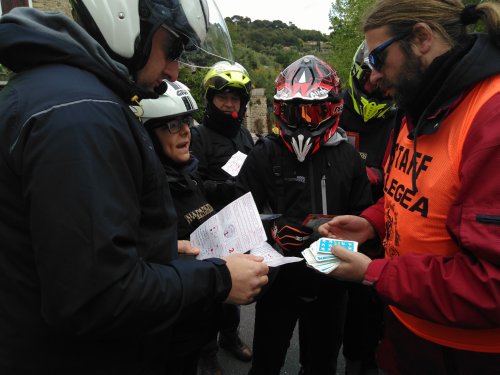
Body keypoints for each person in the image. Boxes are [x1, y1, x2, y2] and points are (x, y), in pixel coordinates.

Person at [0, 2, 269, 374]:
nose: (174, 70)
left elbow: (67, 248)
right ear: (125, 22)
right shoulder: (81, 115)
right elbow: (96, 298)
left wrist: (151, 247)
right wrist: (219, 279)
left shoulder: (66, 95)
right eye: (173, 49)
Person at [319, 1, 500, 373]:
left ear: (421, 38)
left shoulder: (490, 117)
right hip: (407, 327)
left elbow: (492, 283)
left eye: (378, 60)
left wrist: (375, 273)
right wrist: (372, 221)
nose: (371, 79)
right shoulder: (415, 103)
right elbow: (410, 193)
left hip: (467, 353)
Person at [236, 55, 373, 375]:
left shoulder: (349, 157)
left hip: (330, 281)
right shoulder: (264, 153)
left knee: (321, 365)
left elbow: (364, 218)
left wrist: (341, 242)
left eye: (313, 112)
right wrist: (272, 232)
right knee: (266, 362)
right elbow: (238, 217)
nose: (302, 123)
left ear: (333, 110)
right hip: (278, 281)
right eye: (291, 112)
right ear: (279, 111)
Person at [134, 80, 220, 375]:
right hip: (165, 332)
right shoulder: (144, 195)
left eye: (185, 121)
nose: (186, 131)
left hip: (197, 319)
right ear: (146, 136)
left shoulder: (187, 174)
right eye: (171, 125)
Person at [190, 61, 254, 374]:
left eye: (236, 99)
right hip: (206, 228)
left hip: (238, 226)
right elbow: (191, 184)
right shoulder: (198, 136)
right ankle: (206, 350)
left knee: (233, 287)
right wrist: (222, 189)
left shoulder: (245, 136)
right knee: (207, 294)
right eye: (223, 98)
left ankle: (229, 336)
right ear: (210, 99)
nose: (230, 104)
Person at [339, 41, 397, 375]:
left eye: (381, 79)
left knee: (369, 314)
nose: (374, 84)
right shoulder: (336, 110)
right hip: (342, 224)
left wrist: (381, 177)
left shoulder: (399, 115)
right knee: (334, 311)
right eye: (369, 78)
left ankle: (361, 362)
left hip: (380, 237)